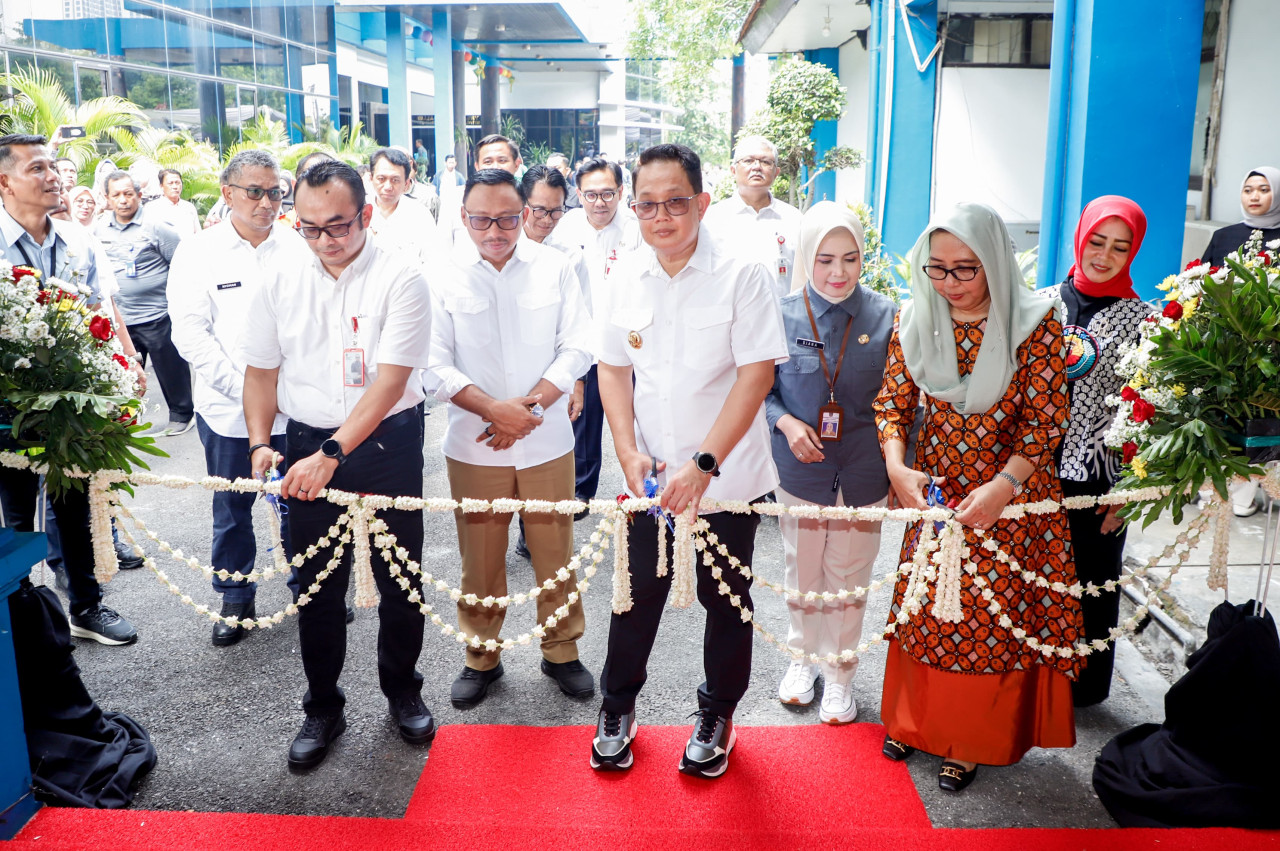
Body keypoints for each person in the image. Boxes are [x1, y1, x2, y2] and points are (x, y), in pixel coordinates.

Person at [590, 143, 787, 779]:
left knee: (725, 597)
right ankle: (618, 705)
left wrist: (703, 464)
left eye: (675, 202)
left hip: (728, 476)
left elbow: (755, 376)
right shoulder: (625, 272)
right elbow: (613, 371)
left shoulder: (744, 270)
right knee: (635, 592)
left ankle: (717, 713)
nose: (661, 217)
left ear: (702, 202)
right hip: (649, 475)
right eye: (647, 205)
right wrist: (625, 449)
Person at [873, 201, 1083, 793]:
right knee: (924, 612)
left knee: (985, 620)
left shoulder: (1035, 323)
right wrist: (897, 468)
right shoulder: (915, 318)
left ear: (994, 261)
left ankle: (968, 738)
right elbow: (893, 403)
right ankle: (913, 722)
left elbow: (1045, 421)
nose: (949, 284)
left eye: (965, 269)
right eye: (936, 269)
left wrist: (1003, 485)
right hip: (937, 494)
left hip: (1011, 500)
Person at [241, 160, 436, 770]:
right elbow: (261, 370)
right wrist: (259, 443)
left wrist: (333, 454)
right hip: (305, 441)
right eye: (310, 228)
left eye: (339, 226)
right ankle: (322, 705)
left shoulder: (403, 277)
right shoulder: (278, 275)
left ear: (366, 215)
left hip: (387, 444)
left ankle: (402, 690)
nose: (326, 240)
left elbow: (389, 383)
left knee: (400, 577)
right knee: (317, 584)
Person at [430, 168, 594, 707]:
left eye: (506, 218)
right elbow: (432, 364)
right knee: (480, 556)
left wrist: (530, 408)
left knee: (555, 552)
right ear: (464, 218)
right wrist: (495, 410)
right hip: (476, 442)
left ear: (524, 213)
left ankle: (562, 652)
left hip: (546, 439)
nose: (494, 230)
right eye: (482, 219)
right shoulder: (442, 274)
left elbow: (577, 345)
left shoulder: (557, 267)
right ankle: (481, 656)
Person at [0, 133, 139, 646]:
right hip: (7, 406)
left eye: (52, 167)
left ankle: (87, 606)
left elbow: (102, 310)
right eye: (37, 168)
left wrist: (127, 362)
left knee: (75, 499)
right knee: (16, 505)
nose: (52, 176)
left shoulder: (78, 239)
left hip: (74, 402)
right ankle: (21, 613)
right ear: (5, 182)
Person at [168, 150, 307, 647]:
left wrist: (280, 396)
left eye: (275, 192)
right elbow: (190, 333)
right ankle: (233, 595)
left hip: (295, 409)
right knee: (232, 508)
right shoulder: (198, 251)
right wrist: (248, 394)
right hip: (227, 410)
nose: (267, 202)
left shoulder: (298, 246)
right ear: (228, 193)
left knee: (302, 501)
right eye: (256, 191)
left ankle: (308, 587)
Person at [765, 201, 895, 724]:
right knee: (804, 569)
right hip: (801, 465)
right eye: (824, 260)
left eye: (849, 258)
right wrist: (785, 422)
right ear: (806, 257)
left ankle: (841, 674)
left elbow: (899, 401)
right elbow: (758, 390)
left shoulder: (888, 315)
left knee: (850, 573)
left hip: (865, 466)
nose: (837, 272)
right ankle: (802, 660)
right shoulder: (779, 313)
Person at [1040, 196, 1156, 707]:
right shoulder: (1040, 304)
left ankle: (1083, 687)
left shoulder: (1147, 322)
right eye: (1096, 241)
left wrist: (1132, 489)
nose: (1104, 255)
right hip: (1031, 468)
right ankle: (1029, 674)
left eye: (1119, 246)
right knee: (1032, 573)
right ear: (1080, 238)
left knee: (1092, 577)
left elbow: (1153, 413)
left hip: (1101, 475)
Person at [555, 157, 643, 510]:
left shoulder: (637, 229)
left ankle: (640, 484)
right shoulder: (566, 230)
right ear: (578, 194)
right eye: (591, 195)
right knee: (583, 418)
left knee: (635, 415)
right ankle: (581, 490)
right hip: (584, 338)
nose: (600, 203)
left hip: (629, 341)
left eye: (608, 194)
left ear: (621, 192)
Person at [1200, 166, 1280, 518]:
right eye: (1249, 189)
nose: (1255, 196)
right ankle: (1239, 483)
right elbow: (1201, 281)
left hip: (1273, 345)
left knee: (1270, 410)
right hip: (1230, 345)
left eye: (1264, 189)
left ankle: (1269, 480)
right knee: (1236, 410)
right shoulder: (1224, 236)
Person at [94, 171, 192, 436]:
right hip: (121, 318)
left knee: (171, 370)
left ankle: (182, 414)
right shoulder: (99, 228)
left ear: (139, 194)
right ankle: (125, 421)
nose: (123, 200)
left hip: (158, 314)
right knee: (125, 374)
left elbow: (182, 262)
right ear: (107, 198)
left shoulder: (155, 226)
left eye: (128, 194)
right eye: (116, 195)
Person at [703, 136, 802, 299]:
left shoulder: (794, 220)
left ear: (776, 172)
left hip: (784, 319)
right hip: (730, 319)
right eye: (748, 161)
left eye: (765, 162)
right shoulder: (713, 219)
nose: (757, 167)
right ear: (733, 170)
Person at [367, 147, 439, 269]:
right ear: (371, 178)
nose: (388, 186)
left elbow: (433, 262)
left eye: (395, 180)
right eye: (381, 179)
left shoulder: (420, 215)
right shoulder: (357, 211)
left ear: (406, 184)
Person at [145, 169, 200, 237]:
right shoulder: (151, 208)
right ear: (161, 186)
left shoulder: (189, 207)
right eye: (170, 183)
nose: (175, 187)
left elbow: (198, 233)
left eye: (177, 183)